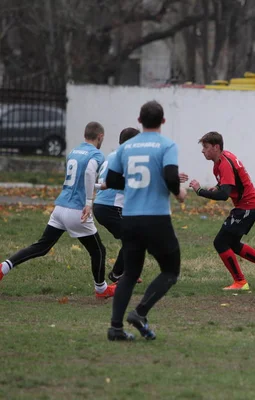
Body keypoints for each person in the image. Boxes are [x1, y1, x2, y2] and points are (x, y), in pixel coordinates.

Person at [0, 122, 116, 299]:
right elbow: (89, 173)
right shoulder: (96, 154)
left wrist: (101, 186)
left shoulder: (73, 152)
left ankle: (4, 267)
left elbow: (80, 179)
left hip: (60, 207)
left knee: (42, 246)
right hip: (76, 210)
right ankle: (101, 289)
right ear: (100, 137)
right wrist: (88, 202)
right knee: (98, 251)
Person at [105, 100, 186, 341]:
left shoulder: (126, 147)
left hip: (130, 218)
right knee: (170, 270)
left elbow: (112, 179)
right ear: (163, 121)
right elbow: (172, 176)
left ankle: (115, 328)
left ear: (139, 121)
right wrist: (179, 193)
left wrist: (132, 184)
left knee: (129, 273)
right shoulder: (167, 145)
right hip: (156, 218)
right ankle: (140, 312)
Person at [186, 131, 255, 291]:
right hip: (248, 205)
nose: (203, 151)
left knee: (220, 242)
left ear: (216, 147)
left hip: (247, 207)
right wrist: (216, 187)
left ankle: (240, 282)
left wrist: (199, 190)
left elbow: (224, 195)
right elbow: (228, 185)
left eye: (206, 147)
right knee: (233, 243)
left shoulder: (224, 163)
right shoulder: (222, 159)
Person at [93, 127, 139, 283]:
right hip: (110, 207)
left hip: (102, 205)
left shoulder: (112, 155)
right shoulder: (126, 158)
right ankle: (118, 274)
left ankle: (126, 272)